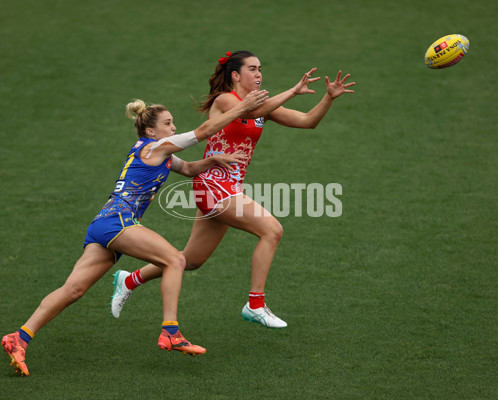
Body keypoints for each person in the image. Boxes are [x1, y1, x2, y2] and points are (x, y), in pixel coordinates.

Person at [0, 89, 270, 376]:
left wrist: (214, 161)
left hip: (103, 224)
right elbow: (203, 131)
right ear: (151, 129)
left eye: (173, 123)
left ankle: (20, 337)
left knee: (73, 290)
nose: (174, 127)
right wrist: (241, 110)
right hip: (119, 222)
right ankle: (171, 331)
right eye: (168, 123)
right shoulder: (154, 147)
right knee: (175, 260)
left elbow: (189, 168)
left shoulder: (157, 153)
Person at [110, 50, 355, 329]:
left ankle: (129, 279)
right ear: (236, 75)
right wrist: (294, 90)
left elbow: (308, 122)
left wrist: (328, 98)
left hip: (228, 188)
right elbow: (253, 110)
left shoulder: (263, 106)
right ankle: (255, 304)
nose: (259, 74)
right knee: (272, 230)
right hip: (213, 185)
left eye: (260, 68)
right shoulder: (225, 99)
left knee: (191, 261)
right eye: (252, 68)